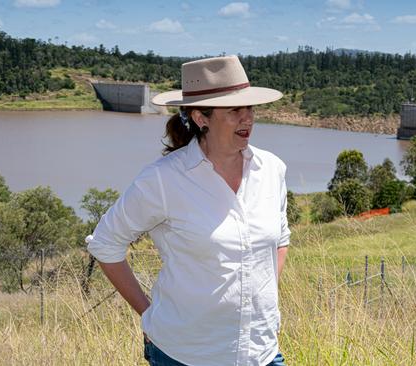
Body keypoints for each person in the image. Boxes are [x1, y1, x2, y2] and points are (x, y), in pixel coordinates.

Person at [87, 55, 290, 366]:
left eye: (250, 108)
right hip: (185, 354)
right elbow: (105, 244)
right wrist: (149, 311)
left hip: (260, 351)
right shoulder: (164, 179)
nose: (247, 118)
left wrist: (260, 294)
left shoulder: (272, 169)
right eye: (234, 110)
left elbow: (280, 239)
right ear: (200, 118)